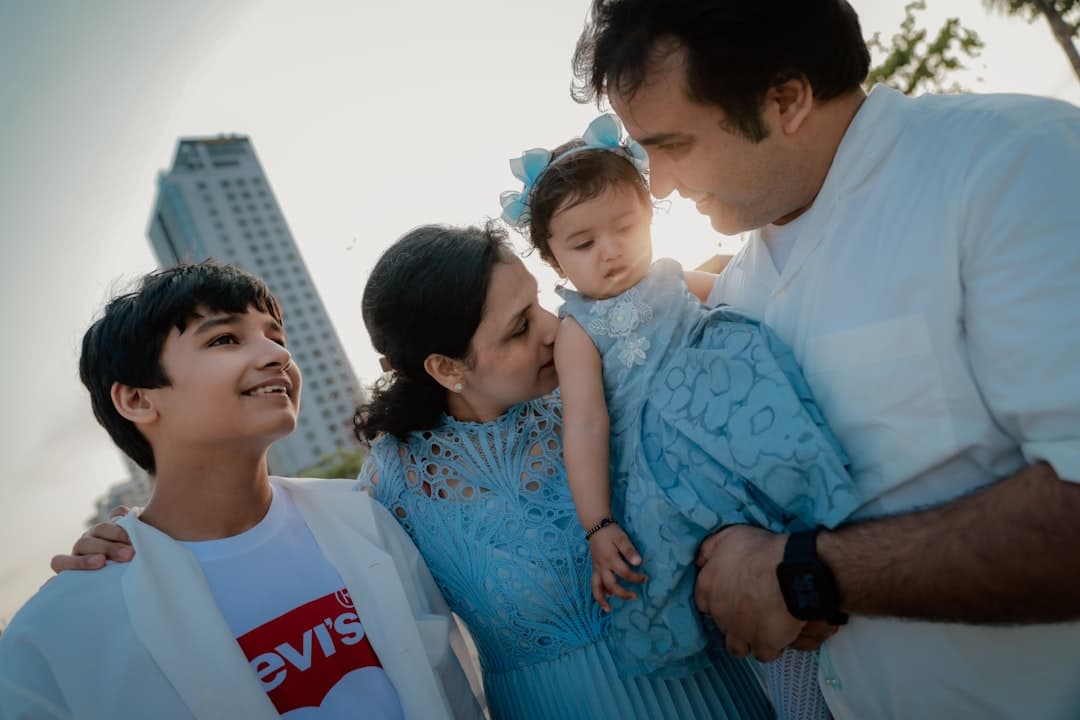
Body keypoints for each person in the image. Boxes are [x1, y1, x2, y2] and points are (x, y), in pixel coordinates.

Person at [572, 1, 1080, 718]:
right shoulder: (734, 292)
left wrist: (810, 575)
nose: (657, 185)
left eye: (672, 145)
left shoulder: (1011, 167)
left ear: (787, 100)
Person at [56, 225, 776, 720]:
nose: (557, 329)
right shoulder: (384, 497)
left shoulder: (603, 387)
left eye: (543, 304)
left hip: (728, 689)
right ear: (446, 367)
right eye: (520, 326)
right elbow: (252, 554)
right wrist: (137, 547)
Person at [0, 262, 481, 720]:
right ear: (136, 398)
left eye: (276, 336)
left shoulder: (363, 517)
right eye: (225, 339)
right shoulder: (62, 630)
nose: (278, 355)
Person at [499, 112, 857, 718]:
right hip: (667, 482)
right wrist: (598, 524)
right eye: (584, 244)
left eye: (625, 227)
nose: (610, 251)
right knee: (741, 611)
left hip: (739, 444)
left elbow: (745, 300)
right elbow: (584, 426)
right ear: (555, 262)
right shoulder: (578, 330)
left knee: (801, 569)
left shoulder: (670, 277)